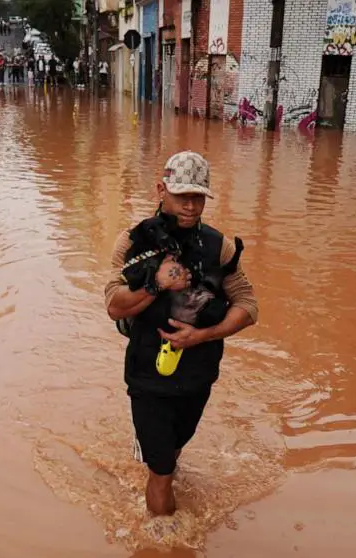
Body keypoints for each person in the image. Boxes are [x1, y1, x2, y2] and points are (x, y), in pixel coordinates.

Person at [103, 151, 258, 517]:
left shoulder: (218, 246)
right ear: (161, 190)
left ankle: (161, 459)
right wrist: (154, 285)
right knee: (162, 473)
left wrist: (202, 336)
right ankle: (163, 536)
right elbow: (114, 306)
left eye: (198, 197)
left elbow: (248, 306)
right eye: (181, 196)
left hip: (197, 375)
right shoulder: (131, 242)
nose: (190, 206)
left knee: (174, 451)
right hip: (147, 376)